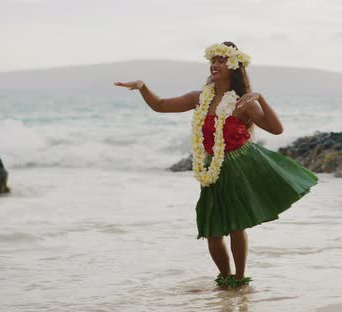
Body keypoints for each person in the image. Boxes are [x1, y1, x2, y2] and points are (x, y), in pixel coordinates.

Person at [114, 41, 318, 289]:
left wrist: (261, 99)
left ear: (233, 66)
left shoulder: (243, 102)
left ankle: (240, 279)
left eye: (222, 61)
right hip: (213, 168)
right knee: (212, 228)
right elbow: (161, 105)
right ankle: (225, 278)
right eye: (214, 60)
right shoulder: (200, 99)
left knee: (235, 224)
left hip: (240, 165)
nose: (215, 65)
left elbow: (276, 129)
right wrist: (143, 87)